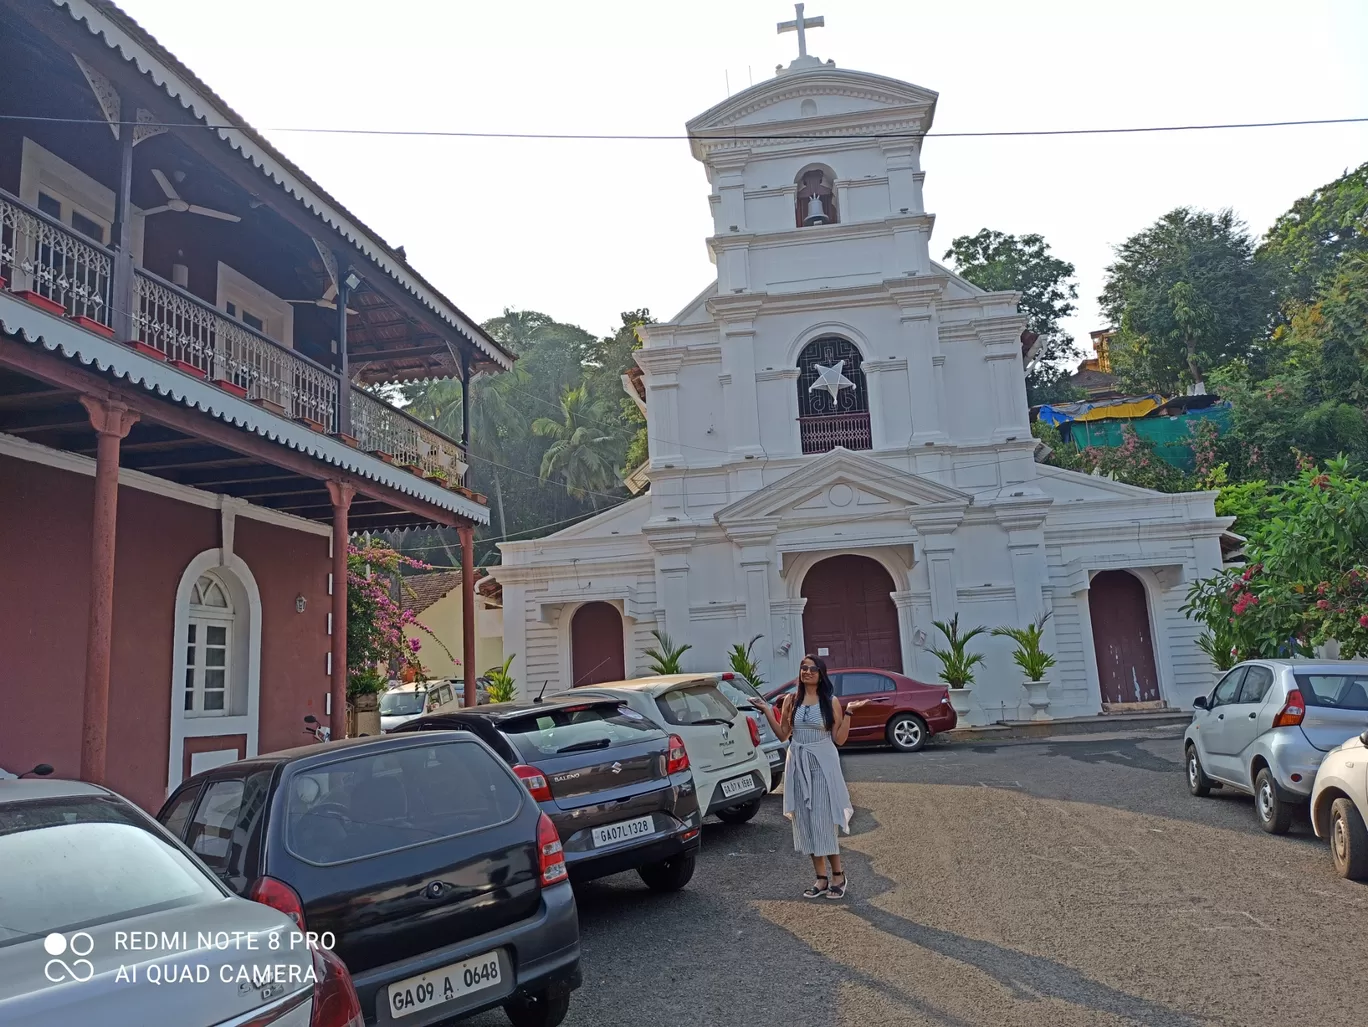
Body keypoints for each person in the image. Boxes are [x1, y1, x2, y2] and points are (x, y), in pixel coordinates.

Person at [750, 655, 870, 899]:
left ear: (821, 673)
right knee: (805, 820)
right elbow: (784, 734)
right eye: (803, 668)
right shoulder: (792, 701)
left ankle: (838, 875)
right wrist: (765, 711)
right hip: (798, 764)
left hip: (822, 765)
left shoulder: (830, 701)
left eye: (812, 669)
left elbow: (839, 739)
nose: (807, 672)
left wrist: (848, 713)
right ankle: (821, 878)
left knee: (823, 820)